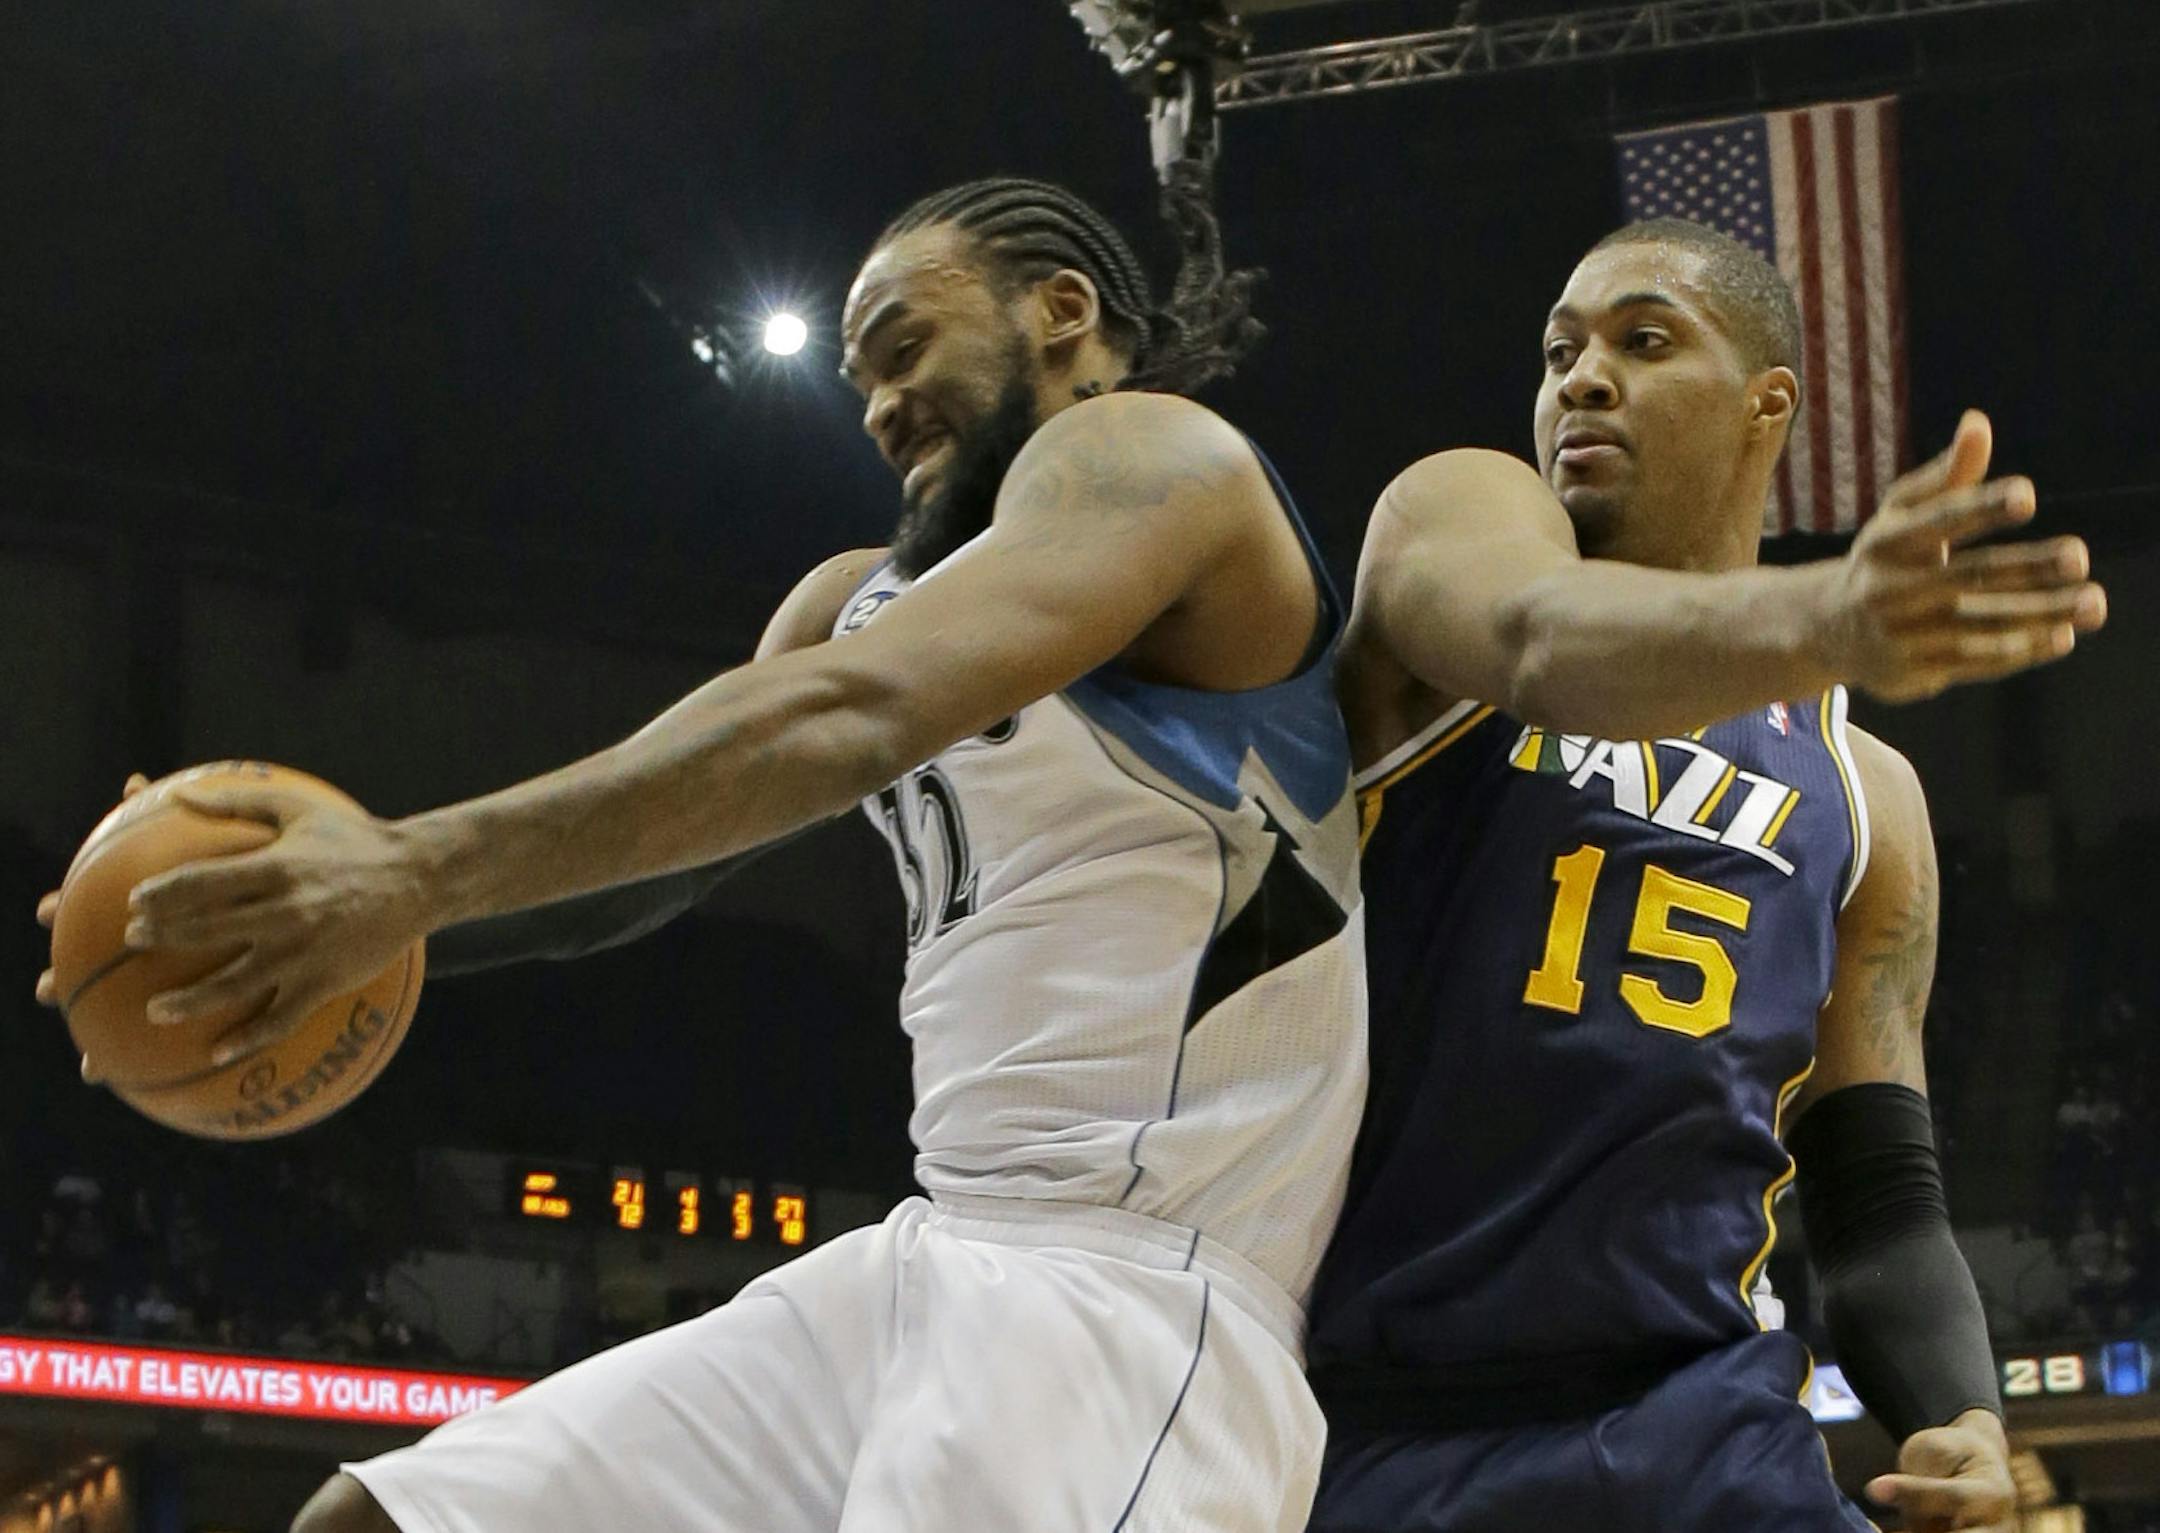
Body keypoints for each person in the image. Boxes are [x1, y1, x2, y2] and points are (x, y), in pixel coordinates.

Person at [43, 173, 1367, 1532]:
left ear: (1062, 311)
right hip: (928, 1255)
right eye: (859, 378)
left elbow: (856, 712)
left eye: (906, 346)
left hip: (1130, 1299)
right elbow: (650, 873)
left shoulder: (1156, 460)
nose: (878, 405)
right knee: (372, 1523)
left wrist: (406, 864)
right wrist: (311, 925)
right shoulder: (851, 602)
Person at [1307, 218, 2105, 1533]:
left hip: (1708, 1432)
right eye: (1561, 350)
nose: (1582, 377)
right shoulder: (1460, 537)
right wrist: (1823, 622)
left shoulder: (1864, 794)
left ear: (1766, 404)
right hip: (1399, 1422)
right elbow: (1539, 639)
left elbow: (1880, 1202)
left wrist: (1962, 1418)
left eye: (1642, 339)